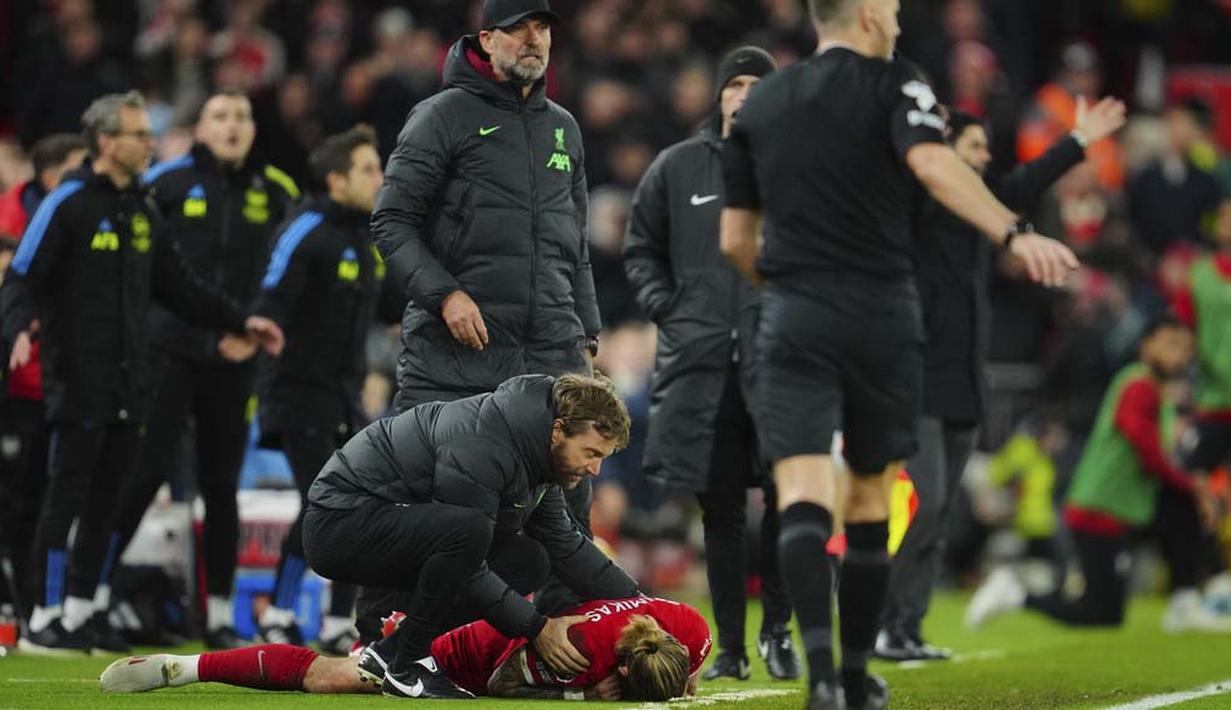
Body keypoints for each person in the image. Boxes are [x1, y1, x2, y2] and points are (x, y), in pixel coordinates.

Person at [718, 0, 1078, 707]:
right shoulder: (897, 83)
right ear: (862, 14)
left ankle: (820, 678)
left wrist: (787, 288)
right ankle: (854, 676)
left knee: (798, 495)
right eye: (889, 6)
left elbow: (734, 241)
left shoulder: (763, 102)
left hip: (792, 315)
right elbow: (935, 168)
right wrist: (1012, 233)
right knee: (868, 498)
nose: (899, 19)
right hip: (879, 312)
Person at [0, 91, 284, 655]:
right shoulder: (70, 201)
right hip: (77, 374)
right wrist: (13, 334)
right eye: (138, 135)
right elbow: (22, 277)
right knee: (66, 495)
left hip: (132, 379)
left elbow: (180, 288)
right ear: (106, 142)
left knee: (105, 498)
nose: (149, 143)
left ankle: (80, 611)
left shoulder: (141, 209)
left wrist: (243, 321)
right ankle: (43, 616)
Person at [368, 0, 601, 641]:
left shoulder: (563, 128)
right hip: (455, 353)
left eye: (544, 26)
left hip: (550, 347)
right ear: (488, 38)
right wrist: (444, 295)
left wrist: (586, 328)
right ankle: (381, 634)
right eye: (521, 27)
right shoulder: (441, 116)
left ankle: (571, 642)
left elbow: (574, 242)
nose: (535, 39)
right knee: (429, 499)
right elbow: (391, 220)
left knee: (570, 500)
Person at [877, 98, 1127, 662]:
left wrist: (1080, 142)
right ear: (941, 153)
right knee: (922, 504)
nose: (986, 160)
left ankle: (906, 628)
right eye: (974, 149)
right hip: (914, 379)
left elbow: (1027, 182)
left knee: (941, 515)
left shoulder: (978, 217)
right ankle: (881, 619)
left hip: (964, 383)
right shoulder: (920, 206)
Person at [623, 45, 797, 681]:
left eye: (757, 84)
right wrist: (670, 307)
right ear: (719, 95)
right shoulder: (677, 168)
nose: (745, 94)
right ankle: (730, 647)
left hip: (776, 361)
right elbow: (640, 248)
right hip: (701, 367)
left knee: (786, 499)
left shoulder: (795, 170)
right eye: (735, 84)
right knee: (720, 511)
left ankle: (778, 630)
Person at [300, 373, 640, 699]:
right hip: (340, 525)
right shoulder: (485, 442)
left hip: (385, 522)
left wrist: (642, 605)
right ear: (558, 431)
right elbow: (466, 555)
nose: (595, 469)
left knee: (529, 561)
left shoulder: (537, 454)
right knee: (471, 532)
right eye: (591, 453)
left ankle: (390, 654)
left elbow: (564, 544)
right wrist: (537, 628)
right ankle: (407, 665)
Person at [104, 92, 300, 651]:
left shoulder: (278, 190)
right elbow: (141, 270)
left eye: (241, 116)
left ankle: (217, 615)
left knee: (221, 486)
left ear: (254, 127)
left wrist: (250, 333)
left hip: (236, 359)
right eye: (221, 116)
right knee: (145, 474)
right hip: (168, 354)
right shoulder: (165, 183)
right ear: (201, 128)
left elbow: (285, 274)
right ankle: (95, 594)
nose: (232, 126)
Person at [964, 317, 1228, 631]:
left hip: (1126, 509)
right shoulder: (1139, 386)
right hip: (1099, 511)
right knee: (1099, 612)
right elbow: (1149, 455)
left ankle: (1186, 598)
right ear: (1146, 347)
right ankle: (1016, 594)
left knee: (1183, 512)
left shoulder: (1156, 392)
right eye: (1171, 344)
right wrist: (1195, 487)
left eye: (1185, 347)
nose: (1180, 355)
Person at [252, 125, 400, 652]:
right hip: (297, 392)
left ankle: (339, 619)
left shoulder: (365, 239)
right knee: (323, 500)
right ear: (336, 179)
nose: (378, 178)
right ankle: (280, 612)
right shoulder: (306, 229)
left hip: (344, 394)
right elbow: (271, 294)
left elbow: (388, 309)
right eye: (367, 169)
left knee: (357, 499)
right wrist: (257, 332)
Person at [101, 594, 710, 701]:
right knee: (330, 677)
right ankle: (184, 669)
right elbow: (499, 686)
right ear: (619, 671)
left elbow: (681, 680)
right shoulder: (579, 652)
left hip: (503, 609)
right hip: (463, 651)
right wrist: (581, 697)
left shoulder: (691, 630)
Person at [0, 133, 87, 617]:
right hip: (18, 382)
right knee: (15, 502)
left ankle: (29, 603)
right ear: (53, 175)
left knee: (36, 500)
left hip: (53, 382)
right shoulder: (12, 221)